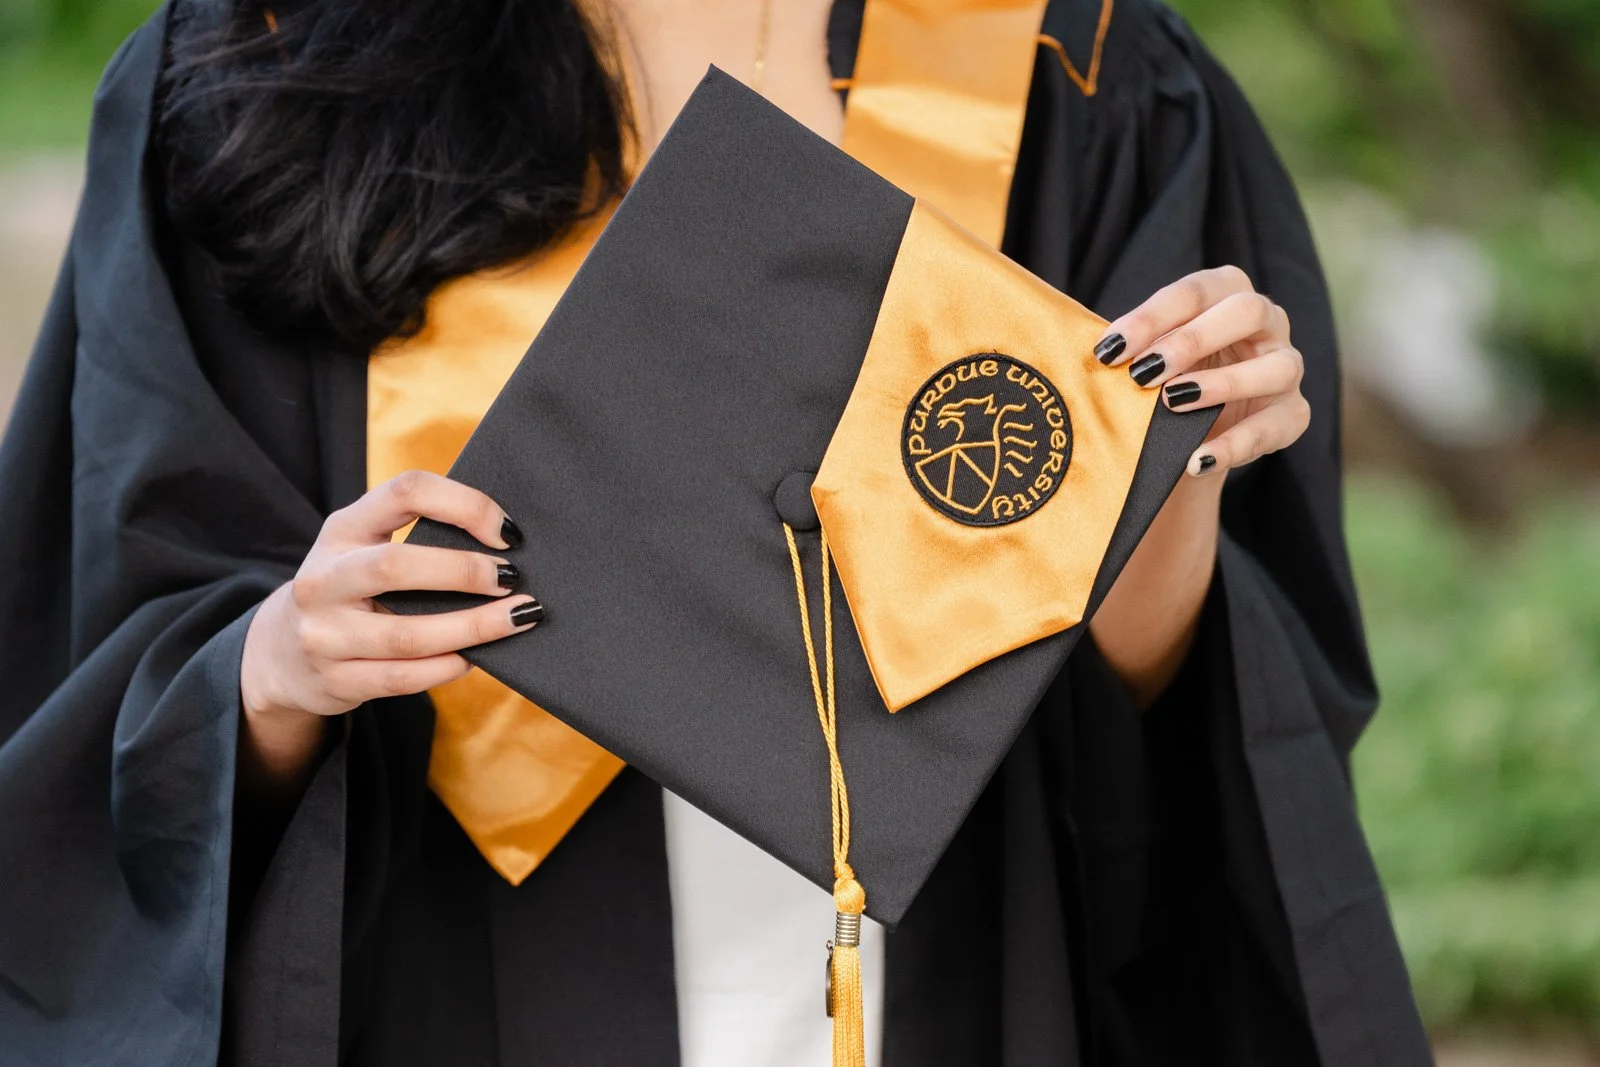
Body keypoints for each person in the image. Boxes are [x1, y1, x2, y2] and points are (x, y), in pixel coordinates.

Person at [0, 0, 1431, 1064]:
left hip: (949, 970)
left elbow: (1188, 725)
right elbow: (109, 647)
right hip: (446, 976)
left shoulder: (1082, 74)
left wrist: (1163, 469)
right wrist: (277, 668)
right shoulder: (261, 60)